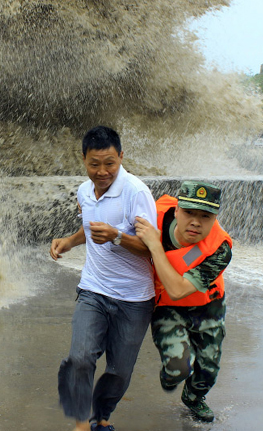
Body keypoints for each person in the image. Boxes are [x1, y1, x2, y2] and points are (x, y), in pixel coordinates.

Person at [51, 125, 157, 431]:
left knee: (119, 371)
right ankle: (81, 422)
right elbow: (90, 226)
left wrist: (117, 237)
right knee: (80, 358)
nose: (102, 172)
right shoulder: (84, 191)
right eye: (94, 164)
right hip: (93, 290)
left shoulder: (136, 193)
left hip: (134, 298)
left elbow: (153, 249)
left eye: (110, 163)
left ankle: (102, 415)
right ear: (83, 159)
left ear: (121, 157)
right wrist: (70, 242)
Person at [134, 181, 233, 422]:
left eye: (205, 216)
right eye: (189, 212)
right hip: (166, 307)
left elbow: (178, 290)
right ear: (177, 210)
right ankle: (173, 374)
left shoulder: (219, 248)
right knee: (178, 368)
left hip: (207, 306)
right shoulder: (154, 214)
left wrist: (155, 247)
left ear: (215, 218)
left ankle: (193, 397)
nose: (196, 222)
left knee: (209, 367)